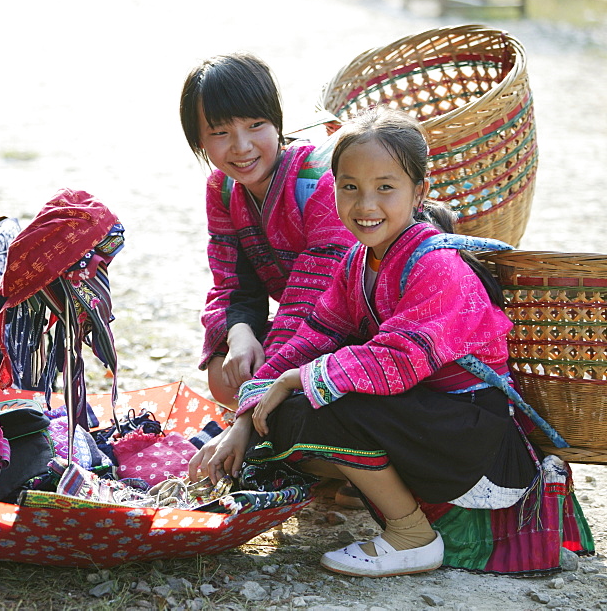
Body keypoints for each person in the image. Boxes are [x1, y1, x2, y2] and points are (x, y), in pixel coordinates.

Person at [188, 106, 593, 577]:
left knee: (320, 405)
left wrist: (296, 380)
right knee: (285, 412)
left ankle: (411, 535)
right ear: (332, 187)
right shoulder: (358, 263)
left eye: (386, 187)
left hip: (470, 433)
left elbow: (397, 359)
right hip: (423, 420)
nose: (366, 205)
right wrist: (245, 414)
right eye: (350, 187)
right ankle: (375, 493)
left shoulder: (435, 266)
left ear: (418, 191)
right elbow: (311, 338)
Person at [179, 53, 356, 411]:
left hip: (355, 325)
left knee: (274, 392)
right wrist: (239, 332)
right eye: (220, 132)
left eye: (256, 125)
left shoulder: (318, 178)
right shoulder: (223, 190)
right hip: (300, 326)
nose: (241, 147)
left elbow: (315, 296)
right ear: (200, 142)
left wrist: (266, 376)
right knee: (223, 372)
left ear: (277, 123)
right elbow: (231, 282)